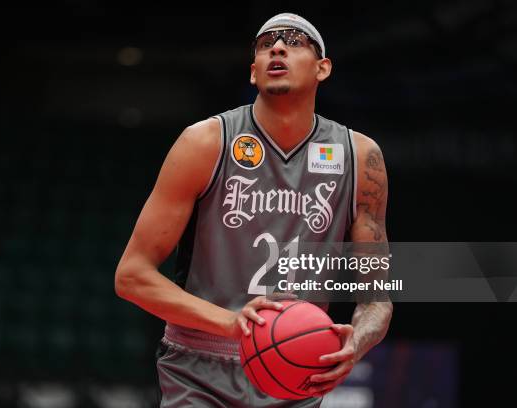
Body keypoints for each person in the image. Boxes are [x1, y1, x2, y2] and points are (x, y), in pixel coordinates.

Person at [115, 12, 392, 407]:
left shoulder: (360, 157)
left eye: (294, 42)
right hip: (199, 369)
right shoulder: (206, 141)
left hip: (295, 373)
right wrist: (231, 323)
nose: (277, 48)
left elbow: (377, 298)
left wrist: (356, 341)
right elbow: (132, 276)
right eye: (266, 45)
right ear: (253, 72)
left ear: (323, 68)